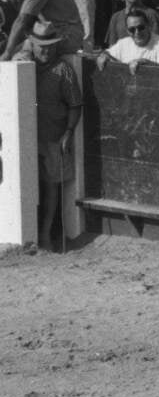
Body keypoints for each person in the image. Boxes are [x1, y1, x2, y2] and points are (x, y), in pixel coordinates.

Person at [26, 20, 82, 251]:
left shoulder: (63, 69)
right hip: (29, 137)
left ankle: (46, 234)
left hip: (53, 135)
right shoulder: (25, 64)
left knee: (50, 186)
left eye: (50, 46)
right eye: (41, 46)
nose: (45, 50)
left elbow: (75, 104)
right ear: (33, 45)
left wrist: (68, 131)